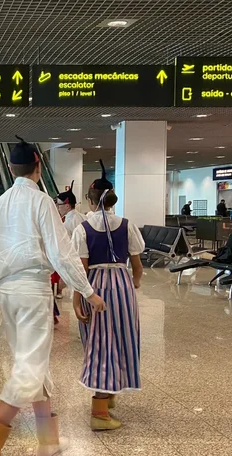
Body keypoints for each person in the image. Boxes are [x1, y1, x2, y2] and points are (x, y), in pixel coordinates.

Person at [0, 136, 102, 456]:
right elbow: (62, 253)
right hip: (32, 291)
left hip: (7, 293)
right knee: (29, 366)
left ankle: (49, 440)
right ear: (37, 166)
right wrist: (87, 290)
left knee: (34, 363)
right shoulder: (42, 201)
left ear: (12, 168)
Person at [71, 169, 145, 431]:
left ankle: (100, 411)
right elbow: (137, 265)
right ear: (113, 199)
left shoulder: (83, 228)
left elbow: (80, 269)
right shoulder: (127, 224)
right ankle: (106, 398)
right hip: (122, 285)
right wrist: (133, 283)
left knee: (100, 343)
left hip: (95, 286)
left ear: (90, 201)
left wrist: (77, 300)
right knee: (122, 338)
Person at [51, 180, 87, 323]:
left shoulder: (67, 223)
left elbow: (66, 249)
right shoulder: (83, 217)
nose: (57, 208)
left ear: (66, 205)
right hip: (87, 261)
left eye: (59, 205)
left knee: (81, 297)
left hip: (76, 262)